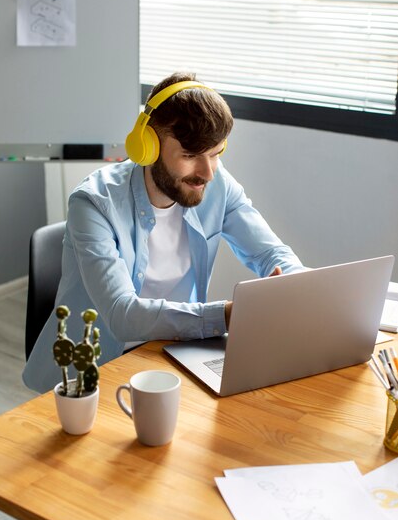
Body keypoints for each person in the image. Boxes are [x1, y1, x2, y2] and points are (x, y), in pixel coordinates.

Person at [23, 71, 304, 393]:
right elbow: (122, 314)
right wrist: (229, 315)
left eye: (215, 153)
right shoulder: (92, 204)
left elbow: (271, 253)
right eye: (189, 156)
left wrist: (296, 284)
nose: (207, 173)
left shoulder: (217, 182)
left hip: (173, 352)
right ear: (148, 148)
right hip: (93, 371)